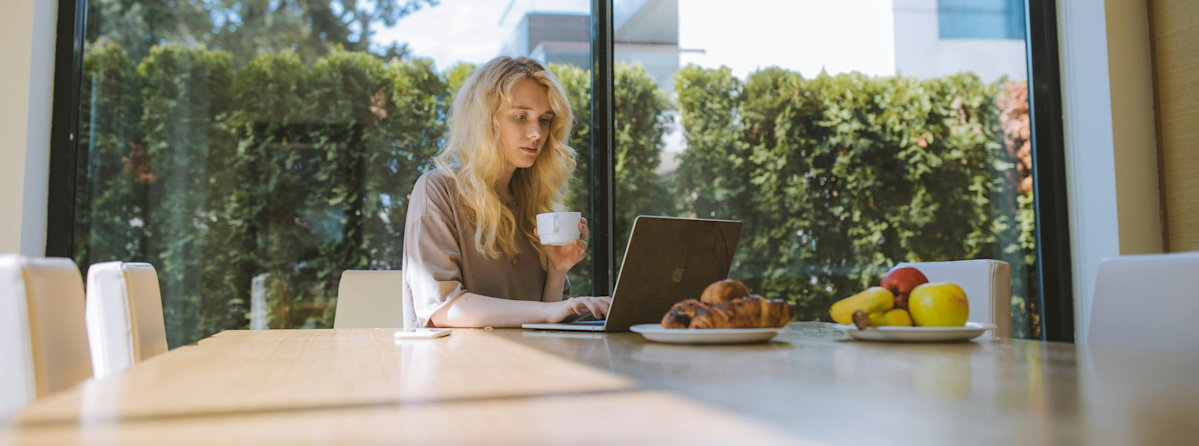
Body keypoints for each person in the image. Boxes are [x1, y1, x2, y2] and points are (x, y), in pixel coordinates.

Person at [402, 56, 612, 328]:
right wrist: (552, 312)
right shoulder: (438, 189)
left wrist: (557, 270)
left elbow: (542, 322)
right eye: (520, 117)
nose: (536, 133)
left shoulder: (537, 205)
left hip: (522, 364)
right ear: (484, 120)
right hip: (454, 366)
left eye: (545, 120)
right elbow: (443, 309)